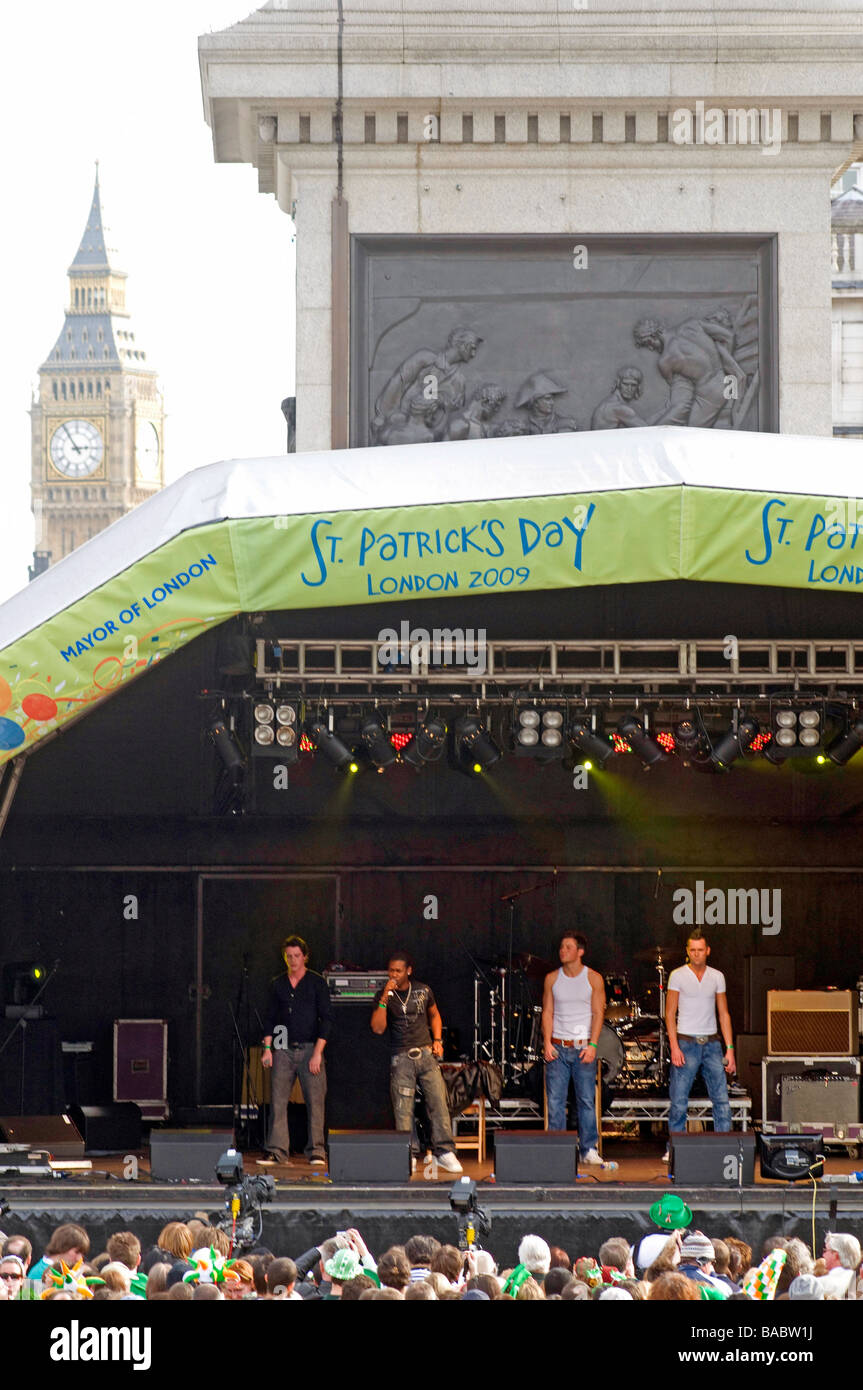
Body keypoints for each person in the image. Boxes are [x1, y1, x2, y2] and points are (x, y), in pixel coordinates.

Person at [371, 951, 463, 1173]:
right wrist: (384, 998)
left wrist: (438, 1040)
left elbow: (434, 1014)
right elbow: (378, 1028)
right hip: (401, 1057)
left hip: (425, 1053)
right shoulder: (385, 995)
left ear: (408, 971)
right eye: (391, 970)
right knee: (404, 1108)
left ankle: (444, 1151)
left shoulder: (423, 990)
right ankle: (408, 1153)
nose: (393, 974)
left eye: (398, 971)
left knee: (439, 1101)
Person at [541, 930, 615, 1167]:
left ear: (580, 951)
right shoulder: (552, 978)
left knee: (585, 1100)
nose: (563, 950)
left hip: (583, 1046)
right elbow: (548, 1012)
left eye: (568, 947)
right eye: (561, 947)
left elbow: (598, 1013)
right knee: (555, 1101)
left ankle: (588, 1149)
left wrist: (593, 1044)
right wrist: (547, 1042)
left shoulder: (592, 978)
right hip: (558, 1047)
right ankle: (557, 1149)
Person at [260, 934, 333, 1167]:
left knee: (315, 1100)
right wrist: (267, 1049)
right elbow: (270, 1018)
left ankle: (316, 1151)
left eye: (296, 956)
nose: (292, 960)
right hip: (282, 1046)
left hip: (311, 1046)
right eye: (288, 956)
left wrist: (318, 1052)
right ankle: (277, 1150)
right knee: (278, 1101)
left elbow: (327, 1019)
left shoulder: (316, 982)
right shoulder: (277, 984)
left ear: (305, 957)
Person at [665, 930, 734, 1160]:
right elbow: (670, 1013)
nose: (696, 954)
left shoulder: (717, 976)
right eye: (692, 950)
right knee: (679, 1099)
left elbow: (723, 1013)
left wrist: (730, 1049)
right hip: (686, 1042)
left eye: (700, 950)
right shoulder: (677, 975)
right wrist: (674, 1047)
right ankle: (674, 1148)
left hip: (712, 1043)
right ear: (688, 951)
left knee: (721, 1098)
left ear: (707, 951)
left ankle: (724, 1148)